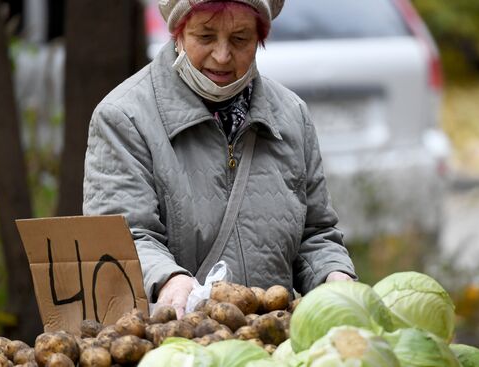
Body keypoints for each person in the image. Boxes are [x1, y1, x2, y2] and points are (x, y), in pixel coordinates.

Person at [83, 0, 356, 318]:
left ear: (259, 38)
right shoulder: (124, 118)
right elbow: (123, 238)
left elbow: (315, 233)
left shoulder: (292, 116)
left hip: (270, 346)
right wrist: (169, 281)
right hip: (173, 345)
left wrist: (334, 276)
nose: (223, 56)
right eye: (206, 36)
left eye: (240, 39)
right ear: (179, 33)